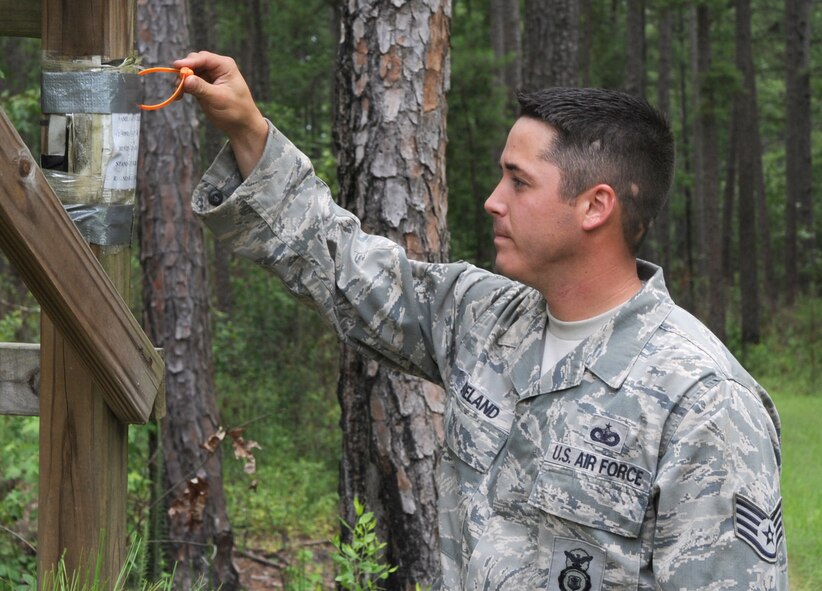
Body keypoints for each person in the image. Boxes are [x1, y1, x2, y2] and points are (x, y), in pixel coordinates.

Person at [175, 51, 788, 590]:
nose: (493, 199)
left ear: (595, 206)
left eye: (519, 182)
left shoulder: (702, 402)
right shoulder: (483, 318)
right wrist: (248, 129)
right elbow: (342, 267)